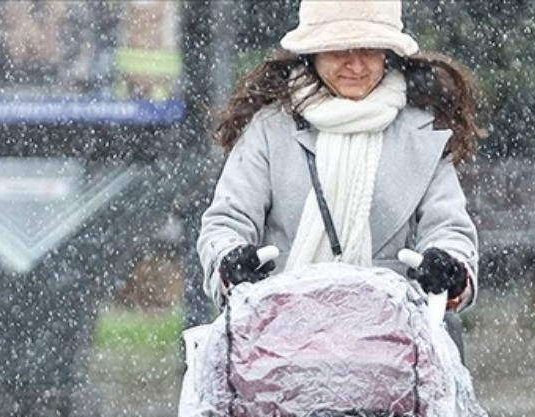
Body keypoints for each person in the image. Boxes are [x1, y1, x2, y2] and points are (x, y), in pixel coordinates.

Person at [196, 0, 484, 325]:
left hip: (394, 343)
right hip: (278, 340)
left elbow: (449, 229)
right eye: (339, 50)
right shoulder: (270, 128)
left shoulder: (423, 133)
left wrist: (448, 269)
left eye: (370, 50)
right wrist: (232, 262)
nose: (356, 65)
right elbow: (227, 222)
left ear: (389, 53)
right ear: (312, 53)